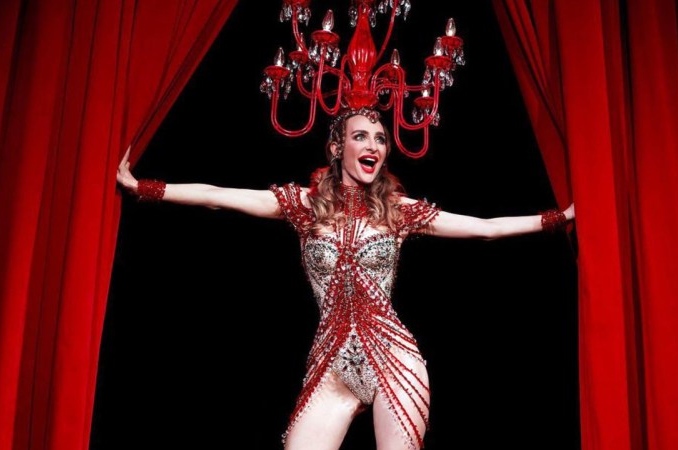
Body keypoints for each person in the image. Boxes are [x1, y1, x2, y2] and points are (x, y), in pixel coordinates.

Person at [116, 107, 575, 450]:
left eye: (380, 138)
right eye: (360, 136)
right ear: (337, 148)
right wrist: (146, 188)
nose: (373, 145)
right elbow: (219, 196)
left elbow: (486, 228)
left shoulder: (398, 211)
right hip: (330, 365)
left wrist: (560, 218)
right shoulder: (303, 206)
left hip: (394, 362)